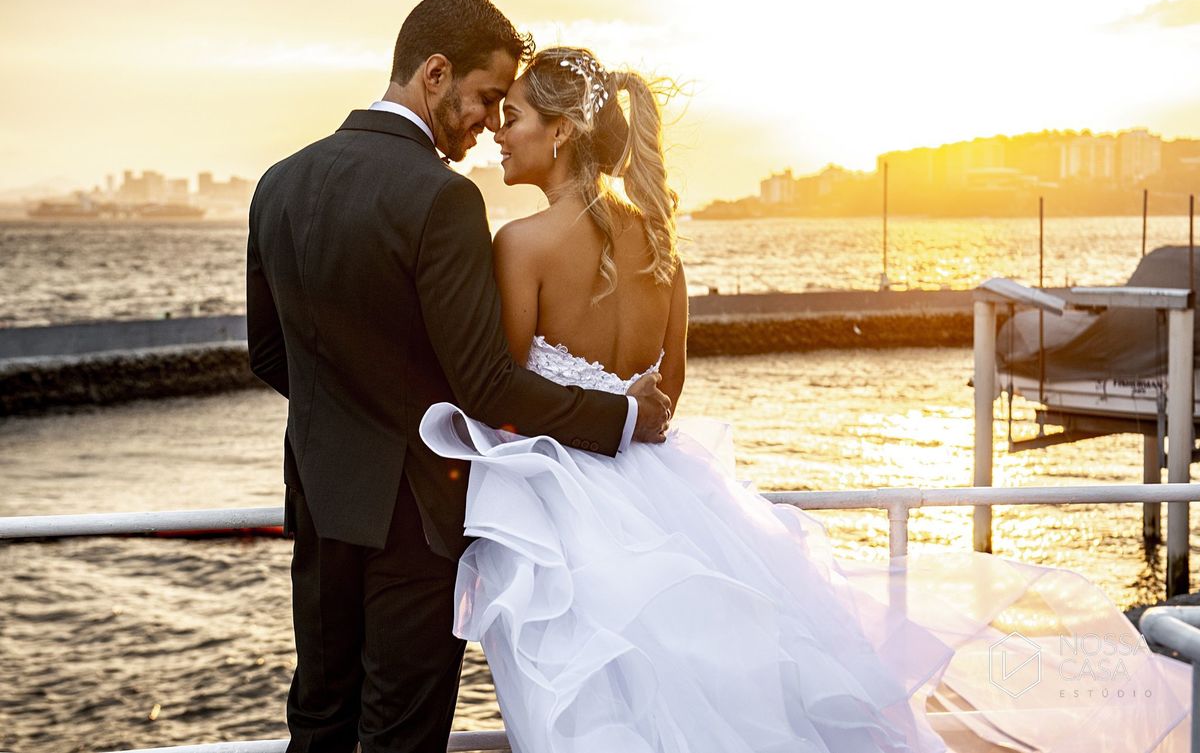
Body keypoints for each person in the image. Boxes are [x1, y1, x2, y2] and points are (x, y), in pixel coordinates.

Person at [419, 47, 1192, 752]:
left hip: (570, 505)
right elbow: (670, 390)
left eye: (512, 117)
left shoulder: (520, 244)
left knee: (596, 698)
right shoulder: (661, 247)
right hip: (668, 492)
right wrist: (625, 406)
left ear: (560, 133)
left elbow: (501, 394)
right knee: (706, 687)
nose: (497, 132)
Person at [246, 0, 672, 753]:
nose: (487, 126)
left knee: (317, 722)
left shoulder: (278, 182)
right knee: (401, 735)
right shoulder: (441, 199)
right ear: (435, 74)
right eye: (484, 99)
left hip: (319, 507)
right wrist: (623, 416)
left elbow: (270, 355)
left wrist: (347, 423)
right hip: (413, 522)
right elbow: (483, 384)